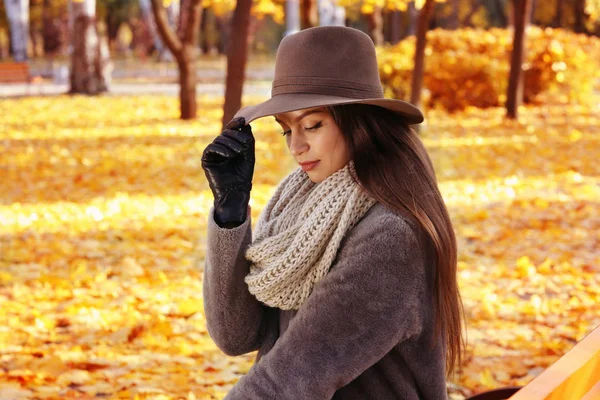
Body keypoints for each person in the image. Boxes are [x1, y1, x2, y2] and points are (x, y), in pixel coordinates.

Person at [201, 26, 464, 400]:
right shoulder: (300, 211)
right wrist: (230, 212)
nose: (297, 145)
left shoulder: (392, 236)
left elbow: (290, 379)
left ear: (361, 123)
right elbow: (235, 334)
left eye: (312, 124)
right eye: (286, 130)